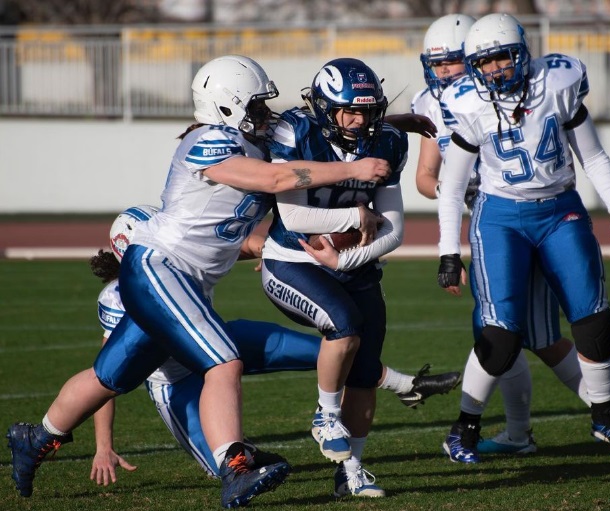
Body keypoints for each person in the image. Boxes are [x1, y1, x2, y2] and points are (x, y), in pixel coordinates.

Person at [6, 54, 397, 508]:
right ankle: (234, 469)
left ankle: (36, 437)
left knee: (110, 375)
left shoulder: (255, 137)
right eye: (252, 105)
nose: (262, 113)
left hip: (185, 282)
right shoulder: (207, 141)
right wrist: (354, 169)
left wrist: (386, 124)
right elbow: (276, 178)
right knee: (225, 362)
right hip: (160, 267)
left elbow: (317, 125)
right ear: (226, 107)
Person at [90, 205, 462, 485]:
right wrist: (103, 445)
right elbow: (109, 379)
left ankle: (404, 385)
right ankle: (244, 451)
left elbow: (246, 244)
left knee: (334, 353)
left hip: (221, 344)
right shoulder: (120, 298)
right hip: (178, 381)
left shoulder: (182, 258)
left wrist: (274, 254)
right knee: (229, 468)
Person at [435, 13, 610, 463]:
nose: (494, 71)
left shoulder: (558, 82)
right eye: (484, 63)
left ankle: (606, 419)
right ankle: (464, 428)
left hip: (560, 208)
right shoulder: (469, 103)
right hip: (501, 217)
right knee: (501, 334)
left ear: (522, 55)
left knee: (595, 318)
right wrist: (449, 251)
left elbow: (594, 155)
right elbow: (451, 186)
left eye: (501, 59)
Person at [260, 57, 408, 498]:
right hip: (291, 259)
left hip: (354, 266)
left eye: (366, 110)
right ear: (325, 108)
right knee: (343, 326)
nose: (359, 120)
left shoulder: (389, 140)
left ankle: (351, 471)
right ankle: (325, 414)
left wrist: (345, 261)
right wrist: (356, 215)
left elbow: (396, 229)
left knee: (364, 376)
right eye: (349, 110)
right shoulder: (295, 131)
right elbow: (294, 214)